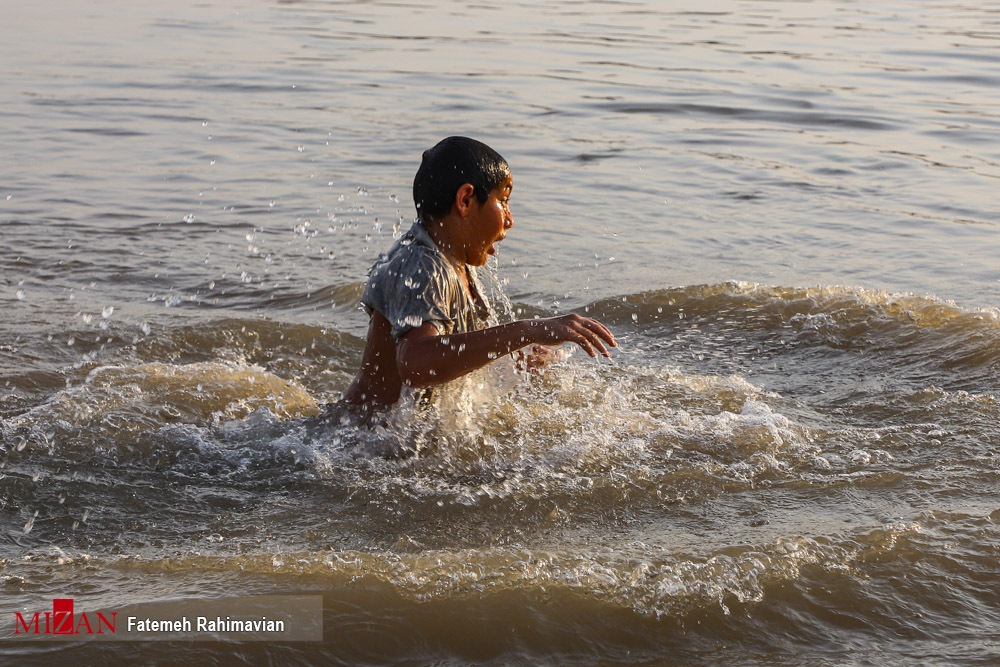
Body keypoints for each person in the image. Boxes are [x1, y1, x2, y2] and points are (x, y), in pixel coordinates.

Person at [325, 136, 617, 424]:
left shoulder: (450, 258)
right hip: (361, 437)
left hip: (374, 435)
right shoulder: (423, 265)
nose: (510, 220)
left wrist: (514, 361)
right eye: (503, 201)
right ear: (465, 200)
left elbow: (451, 355)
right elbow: (416, 364)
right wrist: (527, 331)